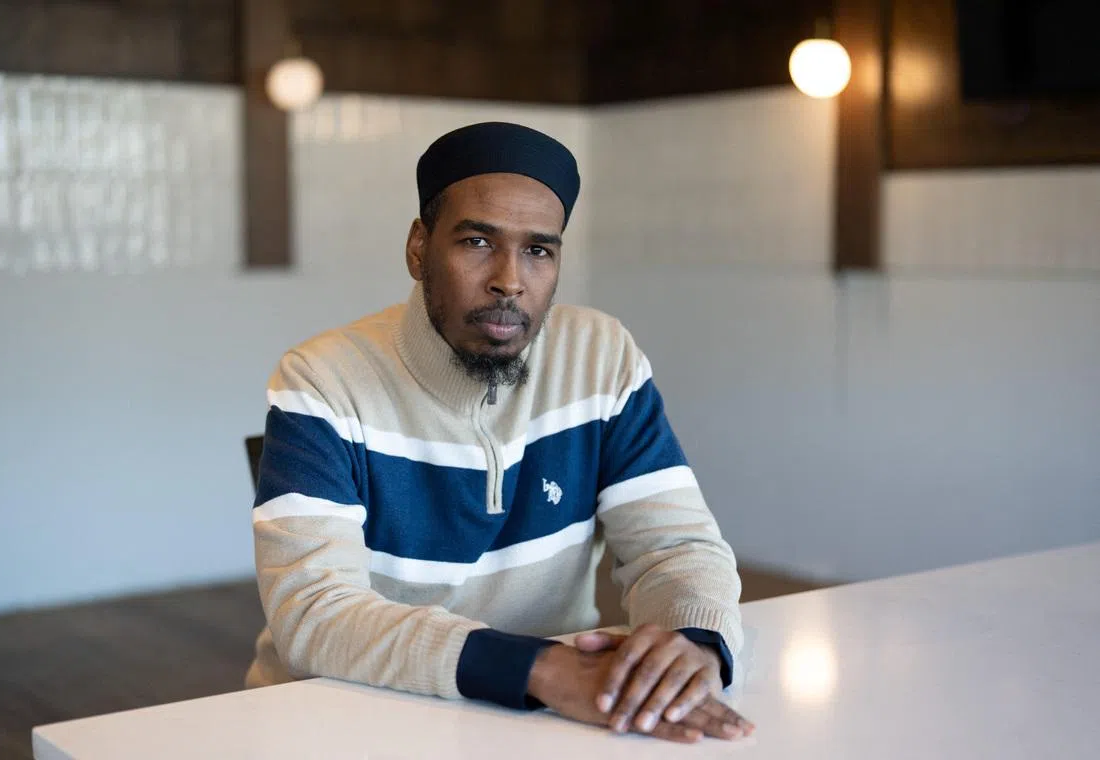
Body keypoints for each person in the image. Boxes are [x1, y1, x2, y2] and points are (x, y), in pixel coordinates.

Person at [247, 122, 753, 744]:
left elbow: (675, 547)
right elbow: (314, 612)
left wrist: (691, 643)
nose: (510, 280)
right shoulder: (322, 378)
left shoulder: (602, 358)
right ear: (418, 248)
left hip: (551, 721)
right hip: (345, 721)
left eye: (539, 250)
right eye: (478, 241)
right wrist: (540, 667)